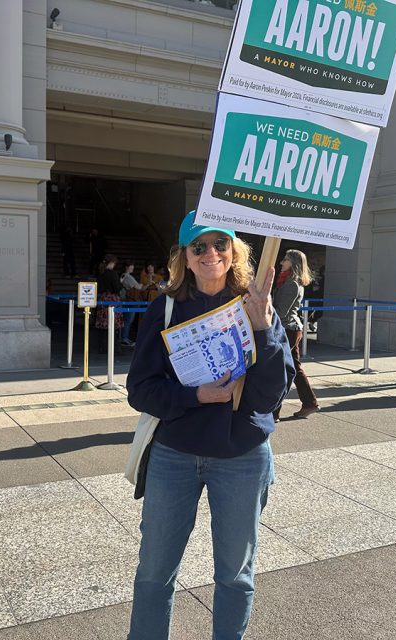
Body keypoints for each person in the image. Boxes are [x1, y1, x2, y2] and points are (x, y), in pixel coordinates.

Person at [125, 210, 294, 640]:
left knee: (236, 574)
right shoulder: (164, 308)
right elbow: (140, 390)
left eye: (221, 243)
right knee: (154, 573)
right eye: (199, 246)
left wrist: (262, 330)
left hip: (241, 456)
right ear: (184, 255)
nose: (211, 253)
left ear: (235, 250)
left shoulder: (255, 304)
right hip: (174, 455)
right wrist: (196, 396)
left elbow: (271, 395)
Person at [272, 249, 319, 419]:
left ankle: (274, 412)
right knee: (293, 367)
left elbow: (281, 312)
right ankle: (309, 403)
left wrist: (263, 306)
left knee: (280, 370)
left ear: (294, 263)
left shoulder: (291, 284)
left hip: (287, 329)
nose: (281, 262)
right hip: (289, 328)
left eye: (285, 259)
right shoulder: (287, 281)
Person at [95, 254, 123, 352]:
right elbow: (117, 288)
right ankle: (113, 347)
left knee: (103, 325)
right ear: (111, 263)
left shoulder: (101, 273)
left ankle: (101, 347)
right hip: (112, 299)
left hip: (103, 299)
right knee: (114, 325)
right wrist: (121, 283)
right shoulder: (113, 274)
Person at [120, 262, 145, 346]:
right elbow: (138, 287)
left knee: (126, 320)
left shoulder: (123, 276)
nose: (133, 267)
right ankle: (124, 338)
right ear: (127, 267)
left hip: (125, 300)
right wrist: (145, 283)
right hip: (130, 300)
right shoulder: (128, 277)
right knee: (128, 320)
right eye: (131, 266)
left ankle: (124, 337)